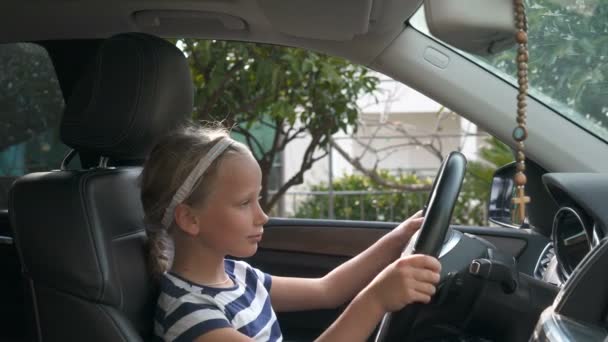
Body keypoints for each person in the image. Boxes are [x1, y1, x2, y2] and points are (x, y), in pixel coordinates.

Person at [140, 123, 441, 342]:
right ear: (190, 219)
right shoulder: (191, 315)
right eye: (245, 203)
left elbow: (328, 289)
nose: (263, 216)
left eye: (258, 199)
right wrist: (377, 299)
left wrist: (398, 238)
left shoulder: (239, 276)